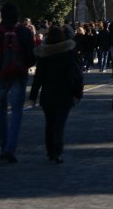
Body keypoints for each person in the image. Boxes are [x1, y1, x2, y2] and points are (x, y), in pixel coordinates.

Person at [0, 2, 36, 163]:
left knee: (1, 112)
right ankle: (10, 147)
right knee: (17, 112)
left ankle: (4, 146)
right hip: (19, 74)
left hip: (0, 75)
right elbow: (31, 56)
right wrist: (25, 64)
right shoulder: (24, 31)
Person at [29, 27, 79, 163]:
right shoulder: (68, 52)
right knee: (60, 123)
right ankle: (57, 150)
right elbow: (76, 74)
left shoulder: (44, 54)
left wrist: (33, 96)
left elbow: (38, 77)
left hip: (48, 93)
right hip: (65, 93)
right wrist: (77, 93)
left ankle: (50, 151)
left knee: (49, 123)